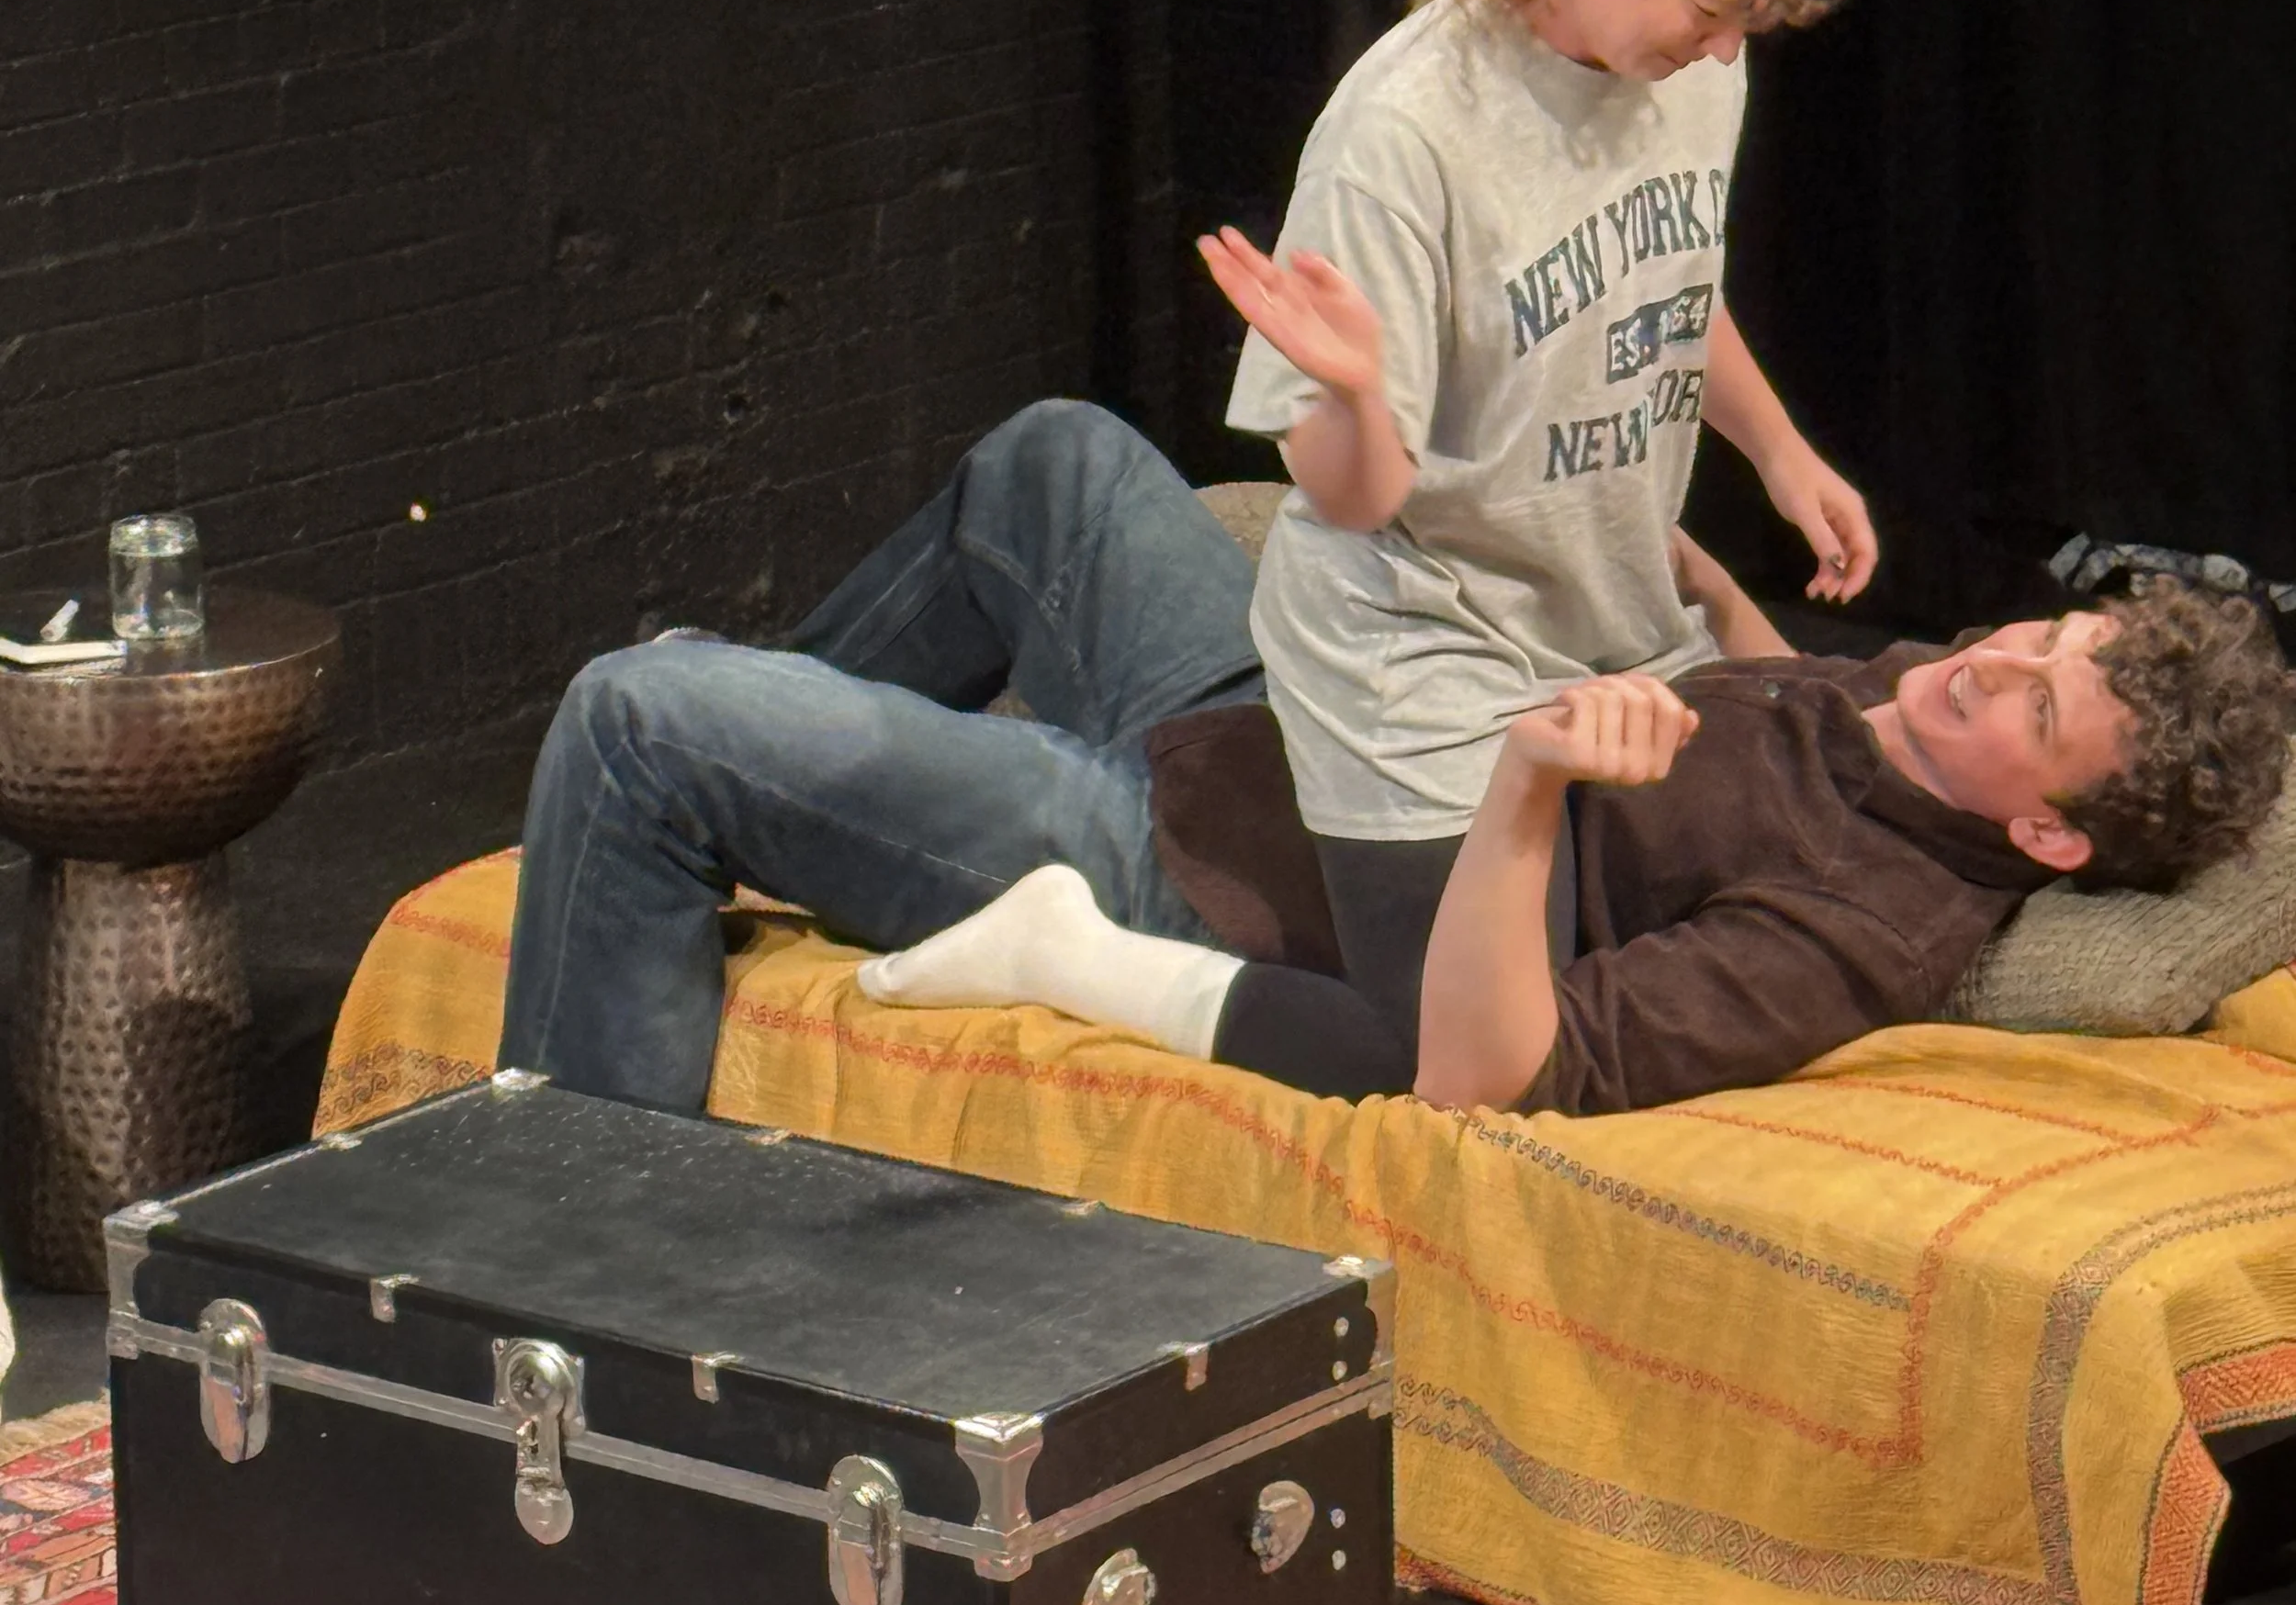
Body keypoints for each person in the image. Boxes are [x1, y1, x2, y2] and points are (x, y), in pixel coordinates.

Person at [500, 400, 2292, 1120]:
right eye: (2038, 635)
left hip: (1194, 872)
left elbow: (1505, 1067)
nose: (1987, 658)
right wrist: (1701, 587)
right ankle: (737, 793)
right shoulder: (1915, 709)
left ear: (2048, 834)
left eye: (2031, 706)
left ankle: (566, 1287)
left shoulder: (1856, 934)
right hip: (1263, 718)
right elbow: (1794, 729)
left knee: (633, 712)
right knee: (1053, 461)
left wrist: (1522, 786)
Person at [1194, 0, 1872, 1080]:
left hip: (1607, 629)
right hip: (1425, 649)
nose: (1727, 44)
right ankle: (1074, 939)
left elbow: (1662, 277)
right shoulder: (1406, 137)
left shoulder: (1691, 71)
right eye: (1712, 4)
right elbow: (1354, 498)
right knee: (1456, 1056)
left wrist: (1779, 449)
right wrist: (1359, 392)